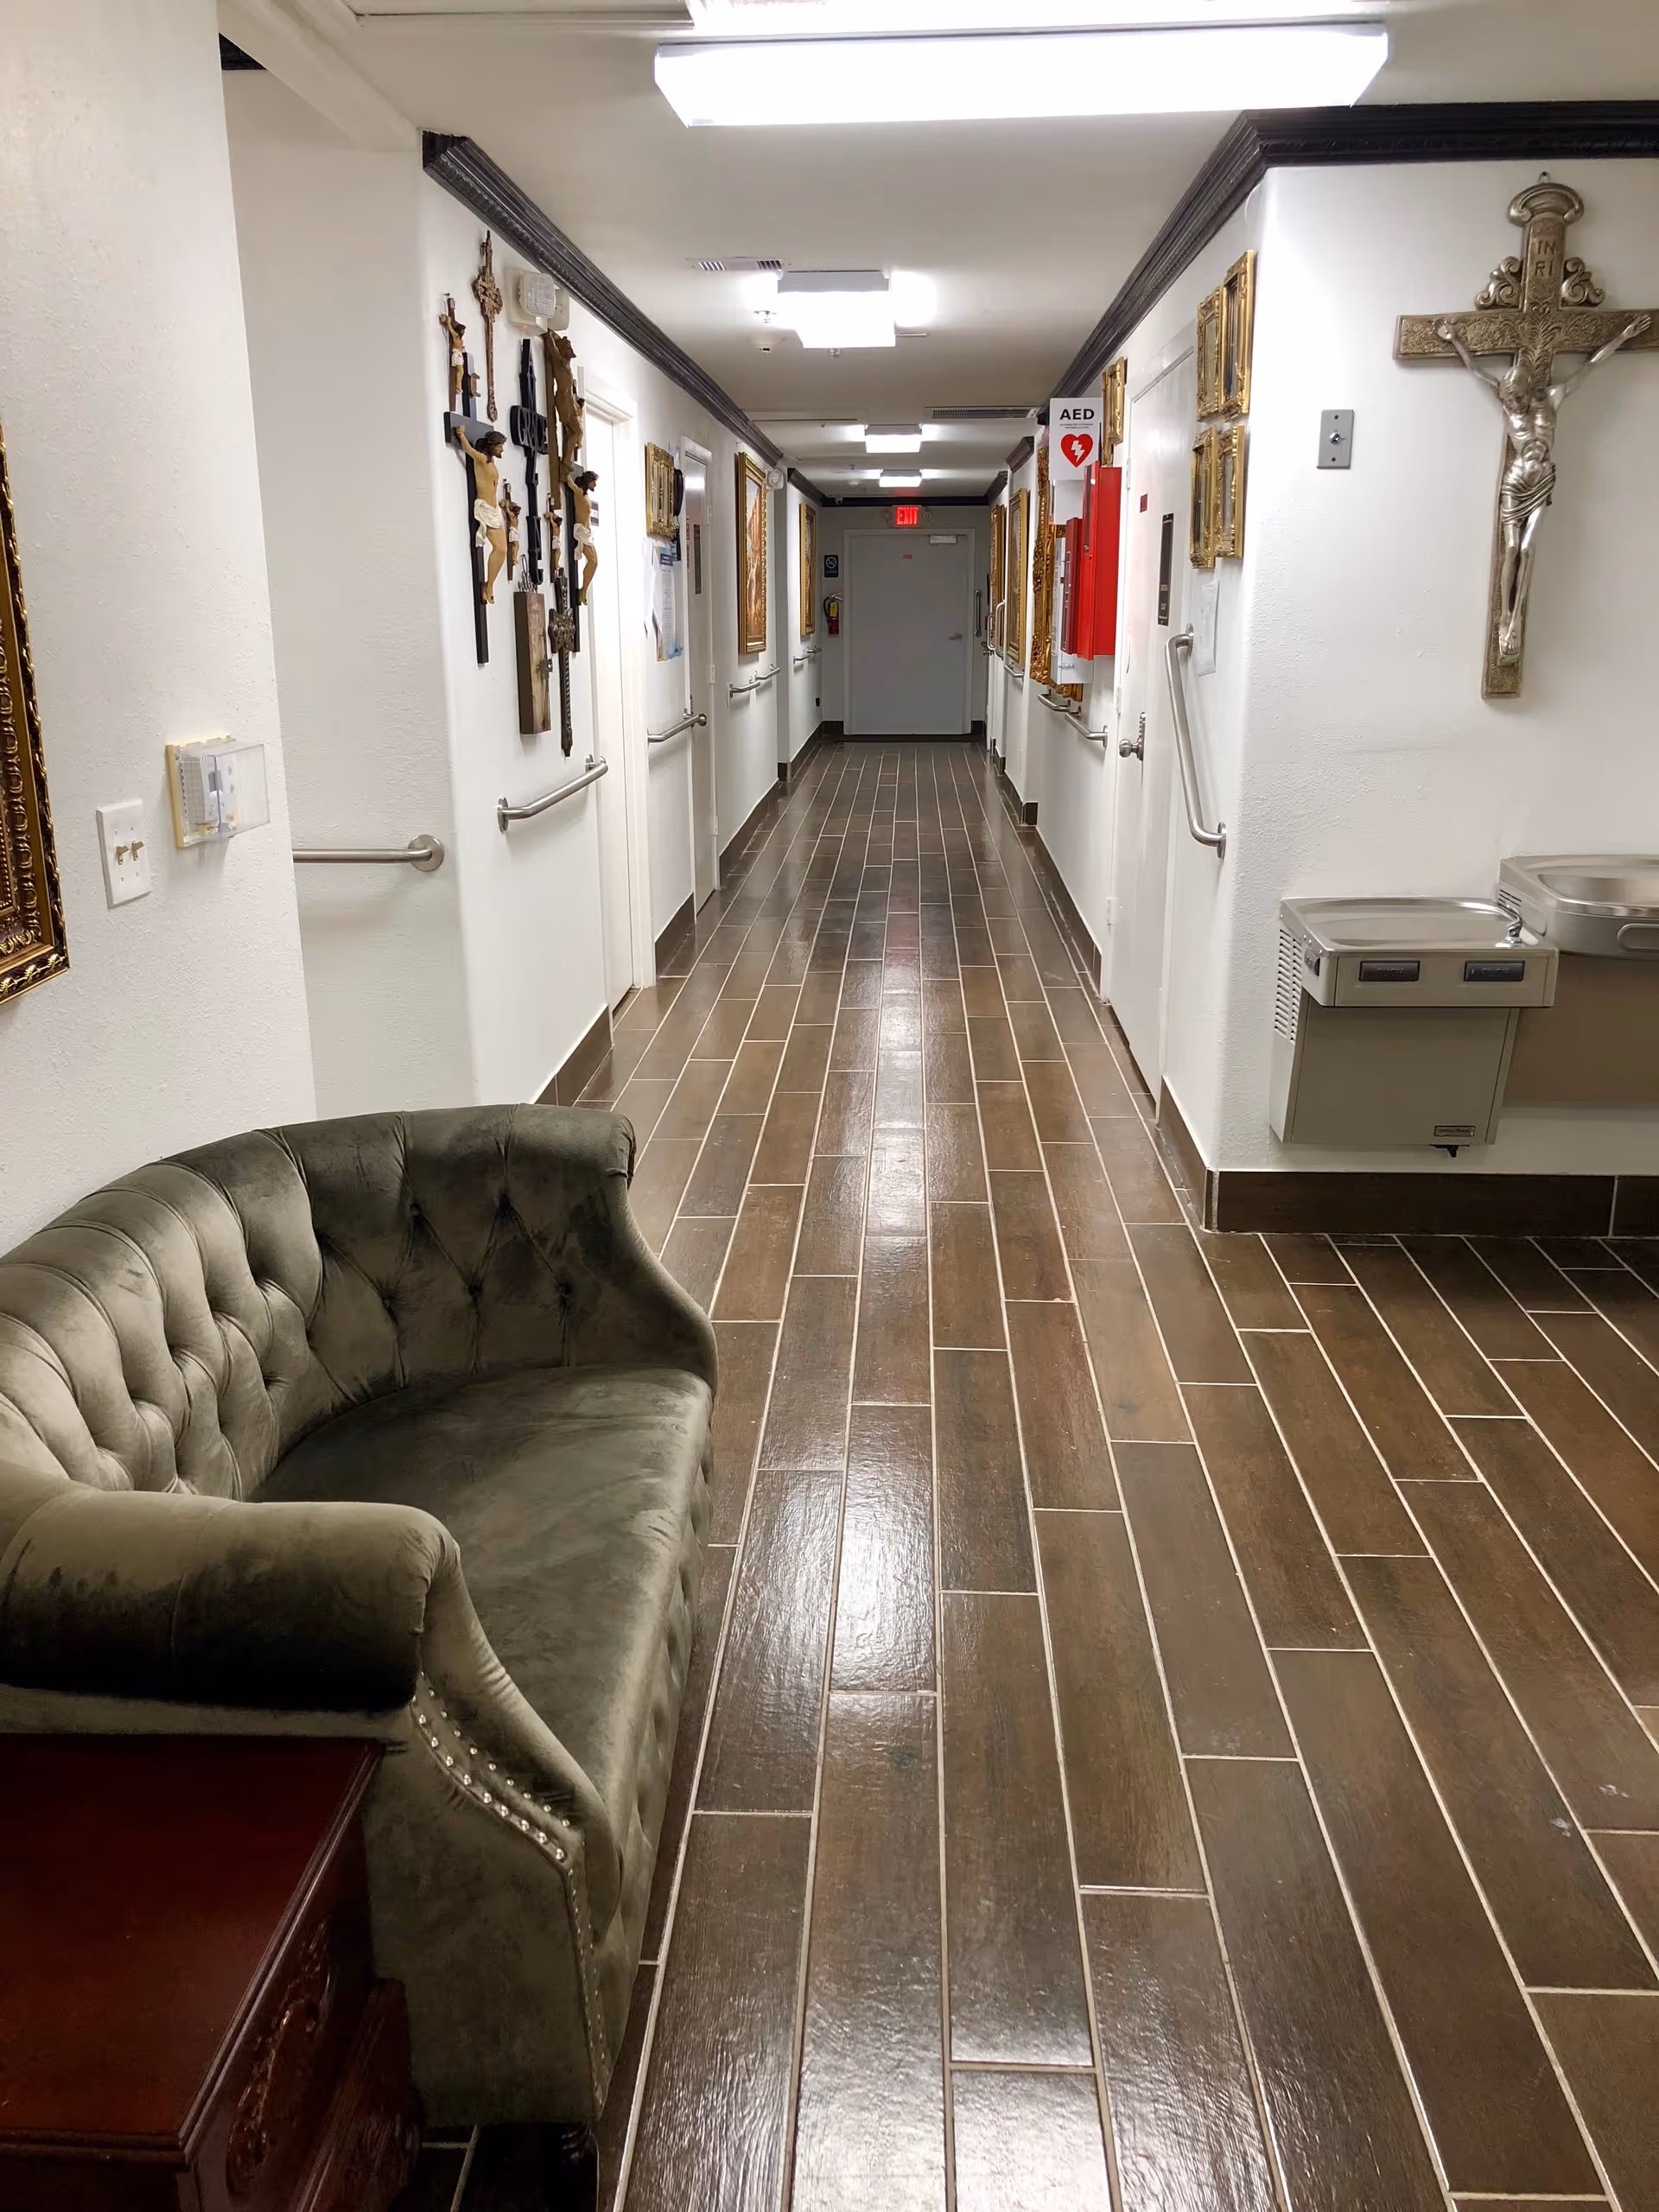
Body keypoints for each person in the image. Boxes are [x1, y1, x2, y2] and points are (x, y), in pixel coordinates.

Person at [1437, 310, 1649, 662]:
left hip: (1541, 480)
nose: (1511, 405)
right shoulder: (1507, 402)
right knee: (1510, 549)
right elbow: (1475, 370)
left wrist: (1623, 336)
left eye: (1515, 398)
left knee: (1527, 550)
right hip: (1515, 481)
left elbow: (1591, 366)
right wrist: (1455, 339)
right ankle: (1505, 617)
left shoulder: (1553, 397)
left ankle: (1516, 619)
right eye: (1508, 399)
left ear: (1525, 389)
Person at [451, 422, 510, 604]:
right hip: (484, 508)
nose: (502, 450)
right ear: (492, 447)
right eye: (500, 447)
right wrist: (461, 436)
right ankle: (488, 585)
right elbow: (468, 451)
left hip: (494, 510)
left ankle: (490, 583)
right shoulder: (482, 459)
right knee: (499, 548)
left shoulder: (490, 462)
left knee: (504, 549)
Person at [569, 469, 601, 607]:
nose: (595, 485)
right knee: (593, 561)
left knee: (594, 562)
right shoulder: (578, 492)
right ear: (588, 481)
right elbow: (569, 481)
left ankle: (584, 590)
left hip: (587, 532)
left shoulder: (585, 494)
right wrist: (567, 468)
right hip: (581, 531)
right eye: (594, 482)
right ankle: (583, 591)